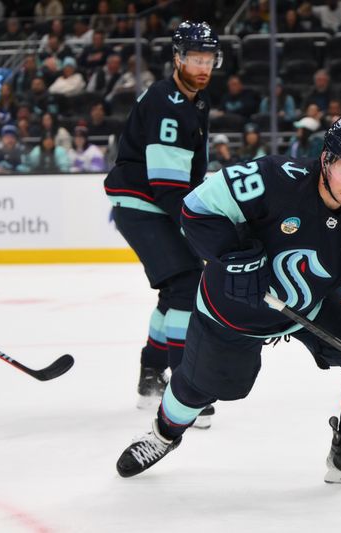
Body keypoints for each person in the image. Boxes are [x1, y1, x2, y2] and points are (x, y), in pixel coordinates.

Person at [115, 114, 341, 484]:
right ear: (326, 160)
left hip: (309, 307)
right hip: (231, 308)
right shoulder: (273, 178)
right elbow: (197, 208)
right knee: (198, 387)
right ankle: (162, 434)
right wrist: (234, 256)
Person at [103, 21, 224, 427]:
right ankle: (183, 387)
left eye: (209, 59)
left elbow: (182, 181)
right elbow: (168, 186)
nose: (203, 67)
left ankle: (152, 374)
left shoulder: (194, 100)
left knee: (177, 286)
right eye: (195, 58)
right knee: (186, 284)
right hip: (144, 204)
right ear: (178, 58)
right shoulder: (169, 101)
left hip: (152, 202)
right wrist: (201, 228)